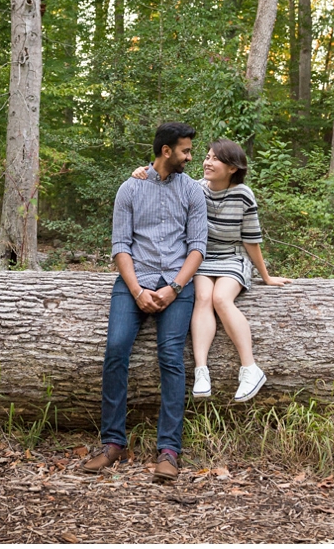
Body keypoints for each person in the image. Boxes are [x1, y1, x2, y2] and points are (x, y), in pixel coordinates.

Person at [82, 122, 208, 483]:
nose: (189, 156)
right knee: (116, 348)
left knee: (170, 354)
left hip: (176, 284)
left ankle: (169, 450)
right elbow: (120, 246)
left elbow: (198, 246)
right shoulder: (130, 188)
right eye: (185, 150)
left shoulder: (192, 192)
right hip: (133, 281)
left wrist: (174, 288)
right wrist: (137, 291)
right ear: (166, 151)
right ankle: (113, 443)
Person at [131, 138, 292, 403]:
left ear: (232, 167)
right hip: (202, 259)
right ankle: (201, 371)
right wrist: (143, 171)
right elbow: (163, 180)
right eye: (207, 156)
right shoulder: (195, 189)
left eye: (215, 159)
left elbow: (250, 240)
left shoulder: (243, 195)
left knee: (220, 298)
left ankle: (250, 369)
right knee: (203, 298)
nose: (207, 162)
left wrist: (265, 276)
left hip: (232, 257)